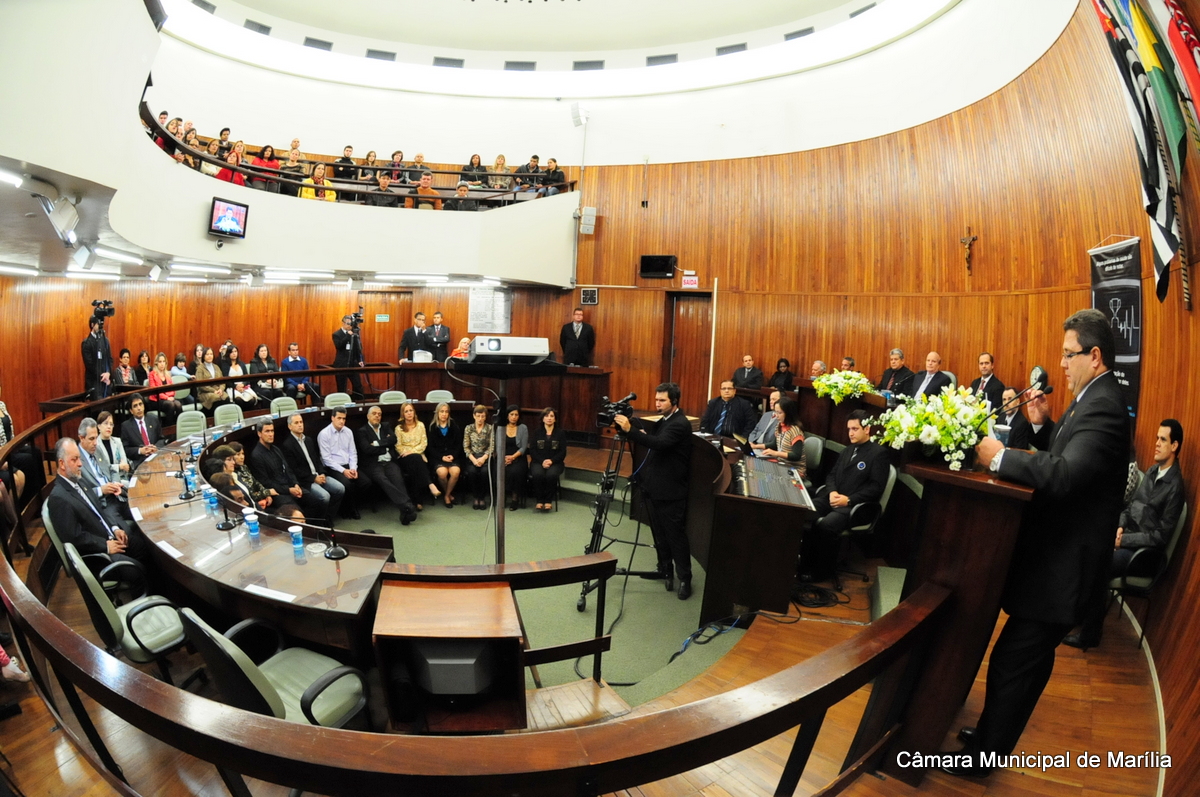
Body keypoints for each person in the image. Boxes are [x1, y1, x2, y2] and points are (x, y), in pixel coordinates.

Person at [947, 309, 1131, 778]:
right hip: (1058, 563)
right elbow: (1075, 462)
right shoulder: (1090, 397)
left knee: (1014, 659)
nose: (1062, 365)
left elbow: (1067, 477)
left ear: (1094, 355)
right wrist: (1047, 428)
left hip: (1066, 569)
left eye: (1069, 356)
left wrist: (1001, 456)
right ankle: (992, 737)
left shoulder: (1105, 405)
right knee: (1025, 660)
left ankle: (984, 756)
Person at [1066, 419, 1185, 649]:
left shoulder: (1175, 488)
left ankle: (1090, 634)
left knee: (1099, 562)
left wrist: (1123, 540)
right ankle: (1076, 615)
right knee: (1088, 545)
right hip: (1127, 539)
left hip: (1144, 556)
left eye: (1163, 440)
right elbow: (1130, 507)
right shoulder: (1152, 471)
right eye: (1157, 438)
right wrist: (1120, 526)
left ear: (1175, 446)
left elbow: (1160, 537)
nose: (1157, 444)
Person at [614, 382, 694, 600]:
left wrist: (631, 431)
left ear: (674, 401)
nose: (657, 403)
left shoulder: (680, 424)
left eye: (662, 400)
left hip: (671, 491)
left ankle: (685, 578)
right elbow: (654, 439)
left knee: (675, 536)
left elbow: (659, 444)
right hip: (655, 488)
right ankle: (665, 568)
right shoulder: (665, 420)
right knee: (659, 534)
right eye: (656, 399)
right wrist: (636, 429)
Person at [47, 438, 149, 595]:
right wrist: (106, 546)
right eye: (74, 460)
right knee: (138, 571)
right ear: (62, 464)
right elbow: (74, 538)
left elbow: (100, 510)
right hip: (99, 556)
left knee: (145, 548)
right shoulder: (59, 498)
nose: (80, 464)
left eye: (79, 458)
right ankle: (142, 609)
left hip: (111, 537)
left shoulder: (79, 481)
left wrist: (115, 528)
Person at [801, 410, 890, 582]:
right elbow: (831, 476)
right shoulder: (848, 450)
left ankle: (820, 572)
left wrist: (848, 500)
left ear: (867, 429)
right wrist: (833, 492)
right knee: (805, 511)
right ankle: (803, 564)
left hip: (855, 506)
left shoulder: (878, 454)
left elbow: (876, 488)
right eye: (849, 429)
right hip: (834, 497)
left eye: (855, 429)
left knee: (827, 525)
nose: (850, 433)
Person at [248, 421, 329, 526]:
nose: (271, 434)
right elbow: (266, 483)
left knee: (315, 502)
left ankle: (315, 528)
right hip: (278, 493)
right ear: (259, 433)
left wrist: (296, 484)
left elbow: (288, 470)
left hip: (290, 486)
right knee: (296, 512)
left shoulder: (276, 449)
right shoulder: (256, 456)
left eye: (272, 431)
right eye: (267, 431)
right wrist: (289, 490)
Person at [355, 405, 418, 525]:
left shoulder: (386, 426)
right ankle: (406, 504)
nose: (377, 416)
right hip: (373, 465)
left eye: (379, 414)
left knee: (398, 479)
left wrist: (376, 443)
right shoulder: (362, 431)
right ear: (368, 416)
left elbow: (393, 440)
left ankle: (405, 511)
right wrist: (384, 448)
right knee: (383, 480)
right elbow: (367, 449)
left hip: (389, 462)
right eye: (374, 414)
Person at [279, 414, 343, 527]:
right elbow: (294, 470)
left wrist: (322, 473)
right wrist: (313, 478)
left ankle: (328, 517)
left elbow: (317, 460)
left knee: (340, 488)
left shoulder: (308, 440)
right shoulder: (287, 445)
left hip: (319, 475)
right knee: (324, 496)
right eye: (296, 423)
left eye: (301, 422)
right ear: (290, 426)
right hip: (306, 480)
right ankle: (320, 523)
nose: (300, 425)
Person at [219, 442, 303, 520]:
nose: (242, 457)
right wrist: (267, 493)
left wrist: (266, 494)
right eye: (238, 454)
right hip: (255, 504)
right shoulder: (233, 474)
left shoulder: (244, 467)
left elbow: (256, 483)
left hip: (262, 498)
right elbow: (249, 493)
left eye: (243, 454)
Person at [77, 418, 130, 526]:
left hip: (117, 496)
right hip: (104, 504)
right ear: (81, 438)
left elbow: (111, 468)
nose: (95, 443)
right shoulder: (77, 460)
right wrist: (101, 490)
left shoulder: (97, 450)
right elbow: (80, 493)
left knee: (144, 516)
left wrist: (115, 482)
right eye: (91, 439)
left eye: (96, 438)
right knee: (127, 536)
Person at [395, 402, 441, 510]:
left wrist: (413, 452)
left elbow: (424, 443)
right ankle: (430, 484)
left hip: (418, 456)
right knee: (415, 460)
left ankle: (416, 501)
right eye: (406, 411)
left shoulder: (420, 425)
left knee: (415, 467)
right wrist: (409, 453)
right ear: (403, 414)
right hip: (404, 457)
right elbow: (398, 446)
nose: (409, 413)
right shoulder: (399, 428)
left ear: (414, 412)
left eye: (411, 410)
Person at [318, 409, 362, 520]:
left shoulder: (348, 431)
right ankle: (349, 510)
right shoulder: (324, 434)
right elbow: (326, 459)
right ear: (332, 418)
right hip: (333, 467)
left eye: (344, 418)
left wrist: (353, 468)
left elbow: (353, 452)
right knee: (347, 484)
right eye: (339, 418)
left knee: (365, 482)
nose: (342, 421)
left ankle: (351, 507)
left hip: (348, 464)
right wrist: (343, 470)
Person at [527, 407, 565, 512]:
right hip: (538, 461)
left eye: (552, 416)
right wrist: (542, 461)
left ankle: (548, 500)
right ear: (543, 419)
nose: (549, 418)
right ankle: (539, 500)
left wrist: (551, 461)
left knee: (551, 475)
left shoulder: (560, 433)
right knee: (538, 474)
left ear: (555, 419)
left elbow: (562, 452)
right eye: (546, 416)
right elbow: (533, 450)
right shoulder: (537, 432)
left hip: (555, 462)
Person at [426, 402, 463, 508]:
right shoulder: (432, 427)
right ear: (437, 413)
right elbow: (430, 448)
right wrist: (441, 457)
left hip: (452, 457)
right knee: (442, 473)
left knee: (455, 472)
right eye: (442, 411)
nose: (444, 414)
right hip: (438, 457)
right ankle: (449, 495)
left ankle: (446, 495)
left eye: (446, 412)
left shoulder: (454, 425)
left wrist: (453, 456)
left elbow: (458, 445)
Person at [760, 397, 806, 472]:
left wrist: (775, 453)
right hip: (781, 464)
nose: (776, 415)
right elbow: (774, 444)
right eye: (776, 412)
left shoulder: (795, 431)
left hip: (795, 469)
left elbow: (796, 455)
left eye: (780, 413)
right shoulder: (779, 425)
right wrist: (755, 446)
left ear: (788, 413)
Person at [463, 405, 495, 510]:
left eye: (482, 416)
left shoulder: (490, 428)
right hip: (472, 457)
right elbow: (466, 447)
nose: (480, 419)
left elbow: (492, 446)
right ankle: (475, 497)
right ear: (474, 416)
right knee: (472, 472)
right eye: (478, 416)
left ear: (485, 417)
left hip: (485, 457)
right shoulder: (469, 428)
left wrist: (484, 458)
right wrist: (473, 459)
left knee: (484, 473)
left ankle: (482, 497)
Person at [119, 395, 163, 469]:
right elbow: (125, 449)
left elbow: (162, 439)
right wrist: (140, 451)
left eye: (140, 404)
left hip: (156, 457)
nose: (139, 408)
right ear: (131, 411)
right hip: (141, 462)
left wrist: (156, 447)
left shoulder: (153, 419)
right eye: (135, 406)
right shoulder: (126, 426)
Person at [501, 405, 530, 511]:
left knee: (516, 472)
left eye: (516, 415)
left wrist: (512, 457)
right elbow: (497, 446)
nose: (514, 417)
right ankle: (501, 498)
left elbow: (523, 447)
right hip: (502, 456)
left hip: (518, 457)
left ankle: (514, 499)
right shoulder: (501, 427)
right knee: (499, 470)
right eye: (511, 414)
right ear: (507, 416)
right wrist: (503, 458)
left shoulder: (523, 428)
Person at [92, 412, 131, 489]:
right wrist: (119, 466)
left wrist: (117, 467)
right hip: (107, 482)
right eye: (106, 423)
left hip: (122, 478)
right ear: (99, 426)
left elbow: (125, 465)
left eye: (111, 424)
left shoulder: (117, 441)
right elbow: (103, 469)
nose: (109, 427)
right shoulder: (96, 445)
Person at [332, 315, 365, 399]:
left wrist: (359, 360)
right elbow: (339, 346)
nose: (349, 325)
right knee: (342, 387)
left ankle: (358, 404)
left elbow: (357, 348)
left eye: (351, 324)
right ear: (343, 323)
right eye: (348, 323)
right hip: (341, 364)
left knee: (358, 386)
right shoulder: (336, 334)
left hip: (352, 364)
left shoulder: (354, 334)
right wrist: (347, 336)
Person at [81, 317, 112, 400]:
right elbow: (89, 364)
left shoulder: (105, 341)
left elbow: (110, 359)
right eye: (99, 324)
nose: (101, 326)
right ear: (92, 325)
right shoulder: (87, 343)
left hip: (106, 382)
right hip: (94, 383)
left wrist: (108, 373)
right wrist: (102, 376)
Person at [147, 352, 181, 426]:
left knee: (178, 405)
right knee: (170, 405)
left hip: (167, 399)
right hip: (155, 400)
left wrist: (169, 397)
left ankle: (177, 427)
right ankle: (168, 428)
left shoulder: (167, 374)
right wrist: (167, 398)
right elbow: (154, 390)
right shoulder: (152, 374)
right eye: (160, 362)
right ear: (156, 363)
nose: (162, 364)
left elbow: (172, 389)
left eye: (164, 362)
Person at [225, 345, 260, 411]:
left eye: (235, 351)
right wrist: (236, 386)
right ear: (228, 354)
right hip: (232, 387)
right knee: (238, 400)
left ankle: (247, 415)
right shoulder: (225, 365)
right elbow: (226, 380)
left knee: (252, 399)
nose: (234, 353)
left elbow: (247, 378)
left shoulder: (242, 364)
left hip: (244, 386)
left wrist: (243, 384)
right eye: (232, 352)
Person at [194, 347, 228, 412]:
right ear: (204, 356)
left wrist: (221, 389)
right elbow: (201, 385)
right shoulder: (200, 368)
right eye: (207, 354)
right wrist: (213, 391)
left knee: (226, 397)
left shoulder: (216, 367)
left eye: (211, 354)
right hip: (205, 392)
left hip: (218, 390)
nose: (210, 356)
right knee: (215, 398)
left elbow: (222, 381)